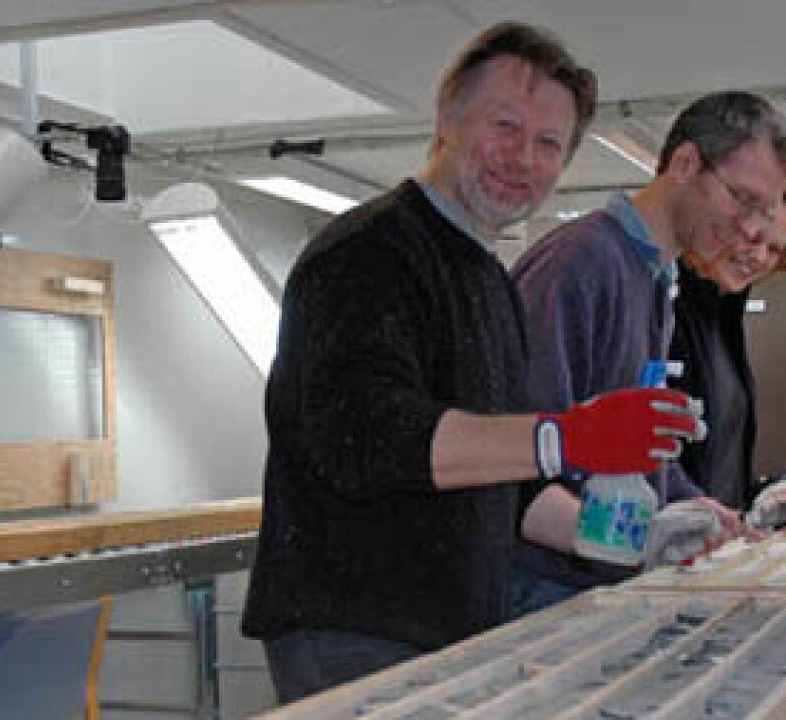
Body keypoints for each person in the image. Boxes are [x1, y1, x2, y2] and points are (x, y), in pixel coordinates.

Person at [241, 21, 704, 705]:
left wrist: (634, 538)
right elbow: (365, 437)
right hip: (354, 629)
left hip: (446, 633)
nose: (522, 158)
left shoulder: (490, 280)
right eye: (505, 125)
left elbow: (512, 493)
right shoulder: (368, 252)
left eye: (548, 143)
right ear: (447, 117)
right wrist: (567, 436)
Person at [510, 91, 786, 619]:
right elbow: (517, 458)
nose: (752, 230)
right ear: (684, 164)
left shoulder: (656, 278)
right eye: (743, 200)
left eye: (764, 212)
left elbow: (635, 447)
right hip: (543, 585)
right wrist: (634, 536)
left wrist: (694, 505)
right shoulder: (582, 261)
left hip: (601, 580)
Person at [669, 206, 786, 508]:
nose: (760, 257)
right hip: (665, 529)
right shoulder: (668, 309)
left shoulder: (724, 312)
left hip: (716, 528)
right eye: (753, 238)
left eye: (775, 249)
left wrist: (760, 496)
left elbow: (721, 462)